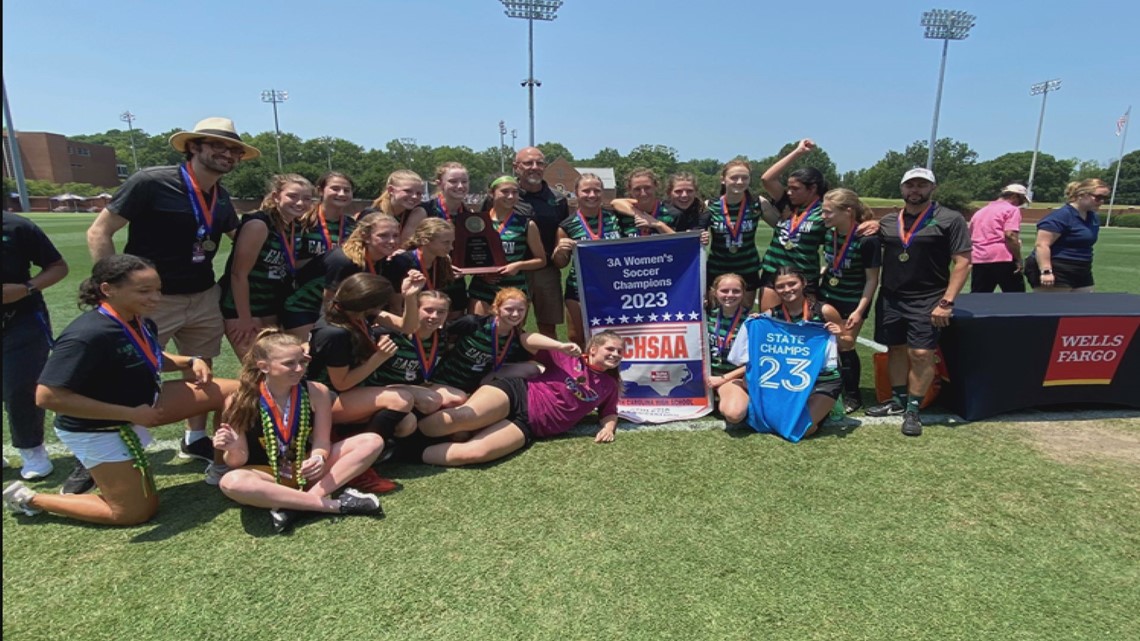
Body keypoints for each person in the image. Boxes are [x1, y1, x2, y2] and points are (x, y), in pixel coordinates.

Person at [84, 117, 259, 486]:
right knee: (130, 371)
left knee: (201, 368)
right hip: (152, 300)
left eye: (234, 150)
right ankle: (93, 454)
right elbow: (100, 230)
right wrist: (113, 286)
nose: (227, 154)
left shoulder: (221, 196)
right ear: (194, 147)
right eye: (218, 146)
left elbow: (239, 235)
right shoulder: (150, 181)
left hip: (202, 293)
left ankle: (194, 438)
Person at [3, 255, 236, 525]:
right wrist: (130, 414)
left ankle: (221, 469)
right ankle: (28, 498)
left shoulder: (138, 320)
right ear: (107, 289)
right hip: (97, 427)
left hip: (143, 404)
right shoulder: (87, 334)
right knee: (133, 513)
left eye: (158, 289)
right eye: (144, 291)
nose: (156, 298)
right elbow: (46, 396)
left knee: (235, 392)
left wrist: (190, 360)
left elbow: (149, 355)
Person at [212, 329, 383, 534]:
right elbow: (237, 461)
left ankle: (297, 506)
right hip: (267, 476)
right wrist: (230, 448)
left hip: (307, 469)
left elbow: (321, 441)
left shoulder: (316, 391)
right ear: (264, 366)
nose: (299, 369)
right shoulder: (238, 400)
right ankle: (334, 505)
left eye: (302, 362)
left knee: (372, 441)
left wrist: (319, 458)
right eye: (289, 364)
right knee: (231, 482)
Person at [866, 168, 970, 437]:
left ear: (932, 188)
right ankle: (898, 401)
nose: (915, 190)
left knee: (921, 354)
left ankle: (913, 409)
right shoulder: (888, 221)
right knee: (896, 350)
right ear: (902, 189)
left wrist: (946, 302)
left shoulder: (950, 219)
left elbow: (962, 262)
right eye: (910, 185)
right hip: (891, 297)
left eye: (921, 185)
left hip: (928, 298)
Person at [416, 330, 620, 467]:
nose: (616, 354)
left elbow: (608, 412)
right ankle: (407, 432)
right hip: (518, 394)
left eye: (619, 351)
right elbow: (525, 339)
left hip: (531, 426)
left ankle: (406, 452)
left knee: (474, 453)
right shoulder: (566, 356)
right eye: (610, 349)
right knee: (465, 419)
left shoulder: (610, 384)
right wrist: (559, 345)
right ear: (593, 349)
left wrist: (608, 428)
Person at [727, 267, 845, 438]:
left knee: (802, 430)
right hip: (784, 381)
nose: (787, 289)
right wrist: (755, 324)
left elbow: (847, 344)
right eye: (781, 286)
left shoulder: (824, 311)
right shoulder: (771, 315)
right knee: (771, 422)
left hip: (823, 380)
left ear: (803, 283)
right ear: (774, 289)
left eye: (792, 284)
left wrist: (839, 334)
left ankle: (826, 407)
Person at [306, 273, 421, 433]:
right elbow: (342, 383)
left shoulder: (355, 312)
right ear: (370, 305)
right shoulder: (334, 333)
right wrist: (379, 357)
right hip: (326, 399)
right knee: (401, 401)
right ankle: (365, 445)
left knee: (408, 421)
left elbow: (408, 327)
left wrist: (410, 297)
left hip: (355, 390)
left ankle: (359, 439)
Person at [2, 211, 69, 479]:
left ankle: (32, 450)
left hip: (21, 319)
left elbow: (58, 266)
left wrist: (26, 288)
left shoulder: (16, 226)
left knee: (21, 386)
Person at [219, 174, 315, 356]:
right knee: (256, 369)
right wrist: (244, 318)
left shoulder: (293, 227)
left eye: (307, 198)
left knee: (276, 367)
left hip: (271, 306)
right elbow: (238, 274)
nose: (300, 203)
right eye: (293, 196)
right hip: (244, 308)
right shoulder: (259, 224)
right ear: (276, 196)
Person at [432, 287, 578, 394]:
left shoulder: (514, 339)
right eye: (509, 309)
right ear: (496, 308)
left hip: (479, 383)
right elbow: (440, 333)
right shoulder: (473, 323)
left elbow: (528, 357)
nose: (515, 314)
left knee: (534, 369)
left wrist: (561, 347)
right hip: (447, 380)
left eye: (520, 310)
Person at [551, 173, 637, 348]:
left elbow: (640, 202)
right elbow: (561, 263)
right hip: (580, 289)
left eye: (596, 190)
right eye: (586, 191)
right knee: (578, 338)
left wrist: (616, 202)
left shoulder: (616, 217)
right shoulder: (566, 225)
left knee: (616, 338)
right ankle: (584, 375)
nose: (591, 195)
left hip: (615, 287)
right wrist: (559, 251)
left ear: (602, 193)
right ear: (576, 193)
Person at [818, 188, 881, 413]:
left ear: (847, 211)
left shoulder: (867, 240)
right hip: (826, 296)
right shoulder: (830, 233)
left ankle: (852, 396)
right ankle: (826, 388)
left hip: (852, 300)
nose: (823, 217)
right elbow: (831, 261)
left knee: (845, 345)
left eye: (828, 212)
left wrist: (859, 310)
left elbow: (872, 279)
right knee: (826, 343)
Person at [364, 289, 468, 415]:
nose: (434, 316)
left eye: (441, 312)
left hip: (417, 385)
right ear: (415, 310)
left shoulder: (441, 338)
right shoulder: (388, 334)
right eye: (428, 310)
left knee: (457, 398)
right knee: (427, 403)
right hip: (383, 388)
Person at [282, 172, 360, 336]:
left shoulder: (353, 227)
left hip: (336, 301)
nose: (341, 194)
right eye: (335, 188)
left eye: (347, 190)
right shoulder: (303, 221)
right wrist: (327, 261)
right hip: (301, 299)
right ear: (320, 190)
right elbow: (287, 260)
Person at [700, 159, 777, 310]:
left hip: (747, 269)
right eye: (734, 177)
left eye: (745, 178)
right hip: (717, 268)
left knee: (744, 313)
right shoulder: (710, 205)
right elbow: (697, 233)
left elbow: (781, 226)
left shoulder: (758, 203)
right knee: (714, 313)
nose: (740, 182)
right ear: (723, 179)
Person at [468, 175, 545, 314]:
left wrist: (519, 265)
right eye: (504, 191)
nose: (510, 196)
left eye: (515, 192)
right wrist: (482, 274)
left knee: (510, 335)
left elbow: (541, 260)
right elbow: (468, 259)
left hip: (513, 291)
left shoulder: (527, 224)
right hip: (482, 289)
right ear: (491, 193)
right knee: (478, 332)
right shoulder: (478, 222)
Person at [514, 147, 570, 339]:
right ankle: (515, 366)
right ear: (516, 167)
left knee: (548, 328)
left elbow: (562, 232)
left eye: (539, 163)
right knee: (512, 324)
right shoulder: (504, 196)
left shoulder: (558, 199)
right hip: (513, 271)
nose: (534, 167)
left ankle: (551, 367)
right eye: (528, 163)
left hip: (546, 270)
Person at [1024, 179, 1109, 293]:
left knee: (1084, 307)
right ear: (1082, 195)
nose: (1101, 201)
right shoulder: (1061, 216)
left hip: (1081, 268)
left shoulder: (1093, 217)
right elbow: (1042, 245)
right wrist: (1046, 271)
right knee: (1055, 308)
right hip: (1056, 267)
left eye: (1105, 198)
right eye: (1098, 197)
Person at [383, 218, 461, 314]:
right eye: (446, 243)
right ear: (425, 241)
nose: (451, 247)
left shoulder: (442, 262)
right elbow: (395, 306)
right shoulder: (402, 262)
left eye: (452, 242)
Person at [322, 212, 402, 303]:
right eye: (383, 235)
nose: (392, 241)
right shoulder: (345, 261)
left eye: (396, 236)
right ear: (365, 237)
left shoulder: (383, 260)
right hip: (310, 307)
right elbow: (329, 302)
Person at [705, 273, 750, 426]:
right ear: (714, 292)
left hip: (730, 378)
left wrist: (723, 379)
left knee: (734, 414)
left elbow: (754, 362)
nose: (730, 295)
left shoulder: (752, 322)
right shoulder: (704, 316)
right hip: (703, 377)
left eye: (736, 291)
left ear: (743, 293)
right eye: (724, 291)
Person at [968, 184, 1029, 293]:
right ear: (1015, 196)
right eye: (1022, 200)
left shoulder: (980, 212)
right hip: (1003, 257)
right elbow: (1010, 235)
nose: (1021, 204)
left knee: (979, 297)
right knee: (1015, 297)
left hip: (980, 258)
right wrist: (1019, 259)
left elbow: (970, 234)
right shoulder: (1012, 210)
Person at [608, 168, 687, 235]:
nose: (643, 193)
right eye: (637, 189)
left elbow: (682, 243)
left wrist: (658, 225)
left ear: (656, 186)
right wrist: (639, 215)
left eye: (647, 188)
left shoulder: (673, 214)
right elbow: (615, 202)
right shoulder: (621, 214)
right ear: (629, 190)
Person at [367, 170, 428, 244]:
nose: (415, 196)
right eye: (407, 191)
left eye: (419, 193)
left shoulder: (415, 213)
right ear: (391, 190)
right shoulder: (372, 214)